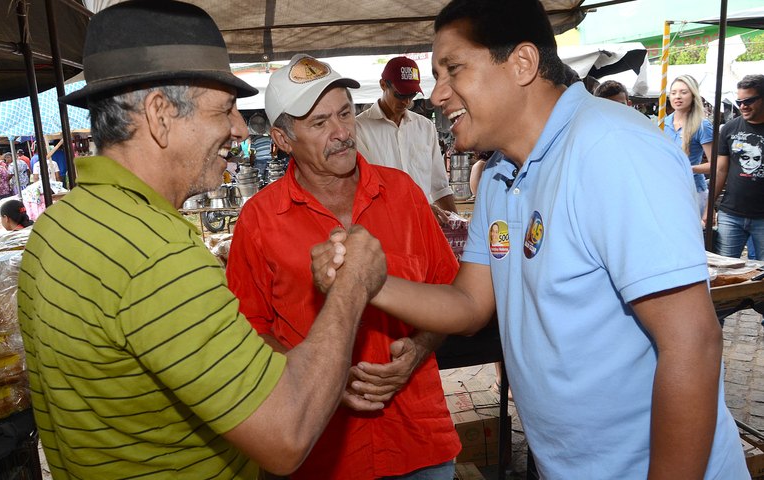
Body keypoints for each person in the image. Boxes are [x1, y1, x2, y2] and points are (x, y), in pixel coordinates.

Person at [312, 0, 748, 478]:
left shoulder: (611, 149)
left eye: (453, 70)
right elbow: (469, 303)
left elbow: (692, 343)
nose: (437, 95)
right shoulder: (501, 173)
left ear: (522, 63)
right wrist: (368, 280)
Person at [17, 3, 385, 480]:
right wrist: (352, 285)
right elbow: (287, 433)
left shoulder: (59, 225)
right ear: (160, 115)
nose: (239, 128)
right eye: (224, 109)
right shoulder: (156, 255)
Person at [226, 54, 461, 480]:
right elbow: (248, 331)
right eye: (319, 123)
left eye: (345, 113)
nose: (341, 132)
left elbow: (449, 293)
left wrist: (418, 350)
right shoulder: (259, 220)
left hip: (417, 439)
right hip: (322, 454)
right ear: (282, 139)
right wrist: (317, 377)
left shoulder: (404, 194)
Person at [356, 56, 458, 224]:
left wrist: (457, 223)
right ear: (383, 85)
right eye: (400, 94)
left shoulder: (425, 127)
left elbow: (439, 187)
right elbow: (369, 188)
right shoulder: (359, 129)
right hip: (384, 225)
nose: (406, 101)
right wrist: (418, 208)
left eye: (412, 95)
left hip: (423, 224)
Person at [706, 74, 764, 259]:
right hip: (731, 213)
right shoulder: (729, 128)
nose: (743, 106)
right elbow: (720, 170)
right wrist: (709, 207)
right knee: (725, 268)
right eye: (739, 101)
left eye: (749, 101)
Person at [665, 74, 714, 219]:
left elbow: (715, 165)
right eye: (673, 93)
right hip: (666, 188)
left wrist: (689, 168)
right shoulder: (662, 123)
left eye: (683, 92)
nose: (677, 97)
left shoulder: (702, 125)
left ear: (693, 95)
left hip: (692, 190)